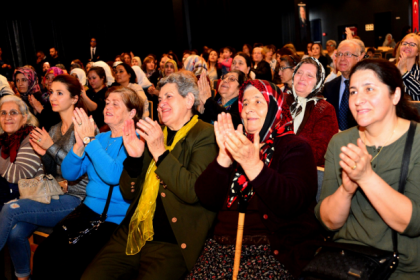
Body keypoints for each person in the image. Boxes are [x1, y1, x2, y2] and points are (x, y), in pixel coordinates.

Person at [81, 71, 218, 280]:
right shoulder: (156, 133)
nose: (161, 103)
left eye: (169, 97)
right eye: (160, 98)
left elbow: (192, 192)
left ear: (189, 100)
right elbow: (128, 192)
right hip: (133, 231)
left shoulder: (205, 134)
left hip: (171, 240)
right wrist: (135, 160)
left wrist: (161, 154)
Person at [188, 79, 323, 279]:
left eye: (258, 102)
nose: (249, 109)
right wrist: (224, 156)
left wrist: (253, 165)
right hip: (218, 249)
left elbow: (291, 202)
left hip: (270, 251)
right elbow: (206, 198)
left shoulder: (294, 146)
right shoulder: (237, 143)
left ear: (275, 108)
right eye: (246, 103)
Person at [315, 59, 420, 279]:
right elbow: (328, 222)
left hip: (399, 268)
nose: (358, 100)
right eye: (353, 91)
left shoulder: (417, 140)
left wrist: (366, 177)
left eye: (369, 89)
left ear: (396, 96)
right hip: (346, 261)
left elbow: (412, 223)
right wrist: (346, 190)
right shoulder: (340, 142)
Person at [32, 86, 143, 280]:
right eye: (107, 103)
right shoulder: (100, 137)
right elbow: (70, 173)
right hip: (85, 213)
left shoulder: (135, 140)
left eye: (115, 104)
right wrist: (78, 146)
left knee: (68, 265)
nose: (107, 107)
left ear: (132, 112)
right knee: (44, 255)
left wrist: (89, 140)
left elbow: (113, 176)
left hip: (111, 220)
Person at [0, 75, 88, 280]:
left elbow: (81, 169)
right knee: (16, 233)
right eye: (51, 93)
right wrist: (43, 154)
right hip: (54, 194)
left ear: (74, 98)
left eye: (59, 93)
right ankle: (23, 278)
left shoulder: (83, 128)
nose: (52, 98)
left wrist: (50, 147)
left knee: (10, 209)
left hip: (78, 199)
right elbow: (51, 170)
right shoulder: (55, 129)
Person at [287, 57, 338, 166]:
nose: (302, 78)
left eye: (309, 75)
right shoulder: (281, 102)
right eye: (299, 73)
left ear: (317, 82)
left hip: (304, 172)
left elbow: (318, 154)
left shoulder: (324, 109)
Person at [0, 96, 42, 208]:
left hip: (28, 200)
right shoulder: (2, 140)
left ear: (24, 118)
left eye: (13, 113)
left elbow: (20, 175)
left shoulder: (33, 138)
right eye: (3, 113)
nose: (7, 117)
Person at [323, 39, 363, 131]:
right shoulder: (329, 87)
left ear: (358, 58)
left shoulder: (367, 87)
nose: (342, 58)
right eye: (339, 54)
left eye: (348, 54)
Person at [395, 33, 420, 101]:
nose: (407, 46)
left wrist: (404, 72)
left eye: (412, 44)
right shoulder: (390, 69)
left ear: (418, 52)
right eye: (404, 43)